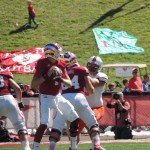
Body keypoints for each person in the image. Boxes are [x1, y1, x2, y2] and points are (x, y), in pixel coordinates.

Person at [31, 43, 79, 150]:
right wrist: (47, 75)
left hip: (58, 96)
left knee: (75, 118)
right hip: (46, 97)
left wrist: (60, 78)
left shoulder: (61, 63)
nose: (60, 54)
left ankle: (74, 147)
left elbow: (69, 83)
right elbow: (33, 84)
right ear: (54, 52)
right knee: (44, 123)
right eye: (58, 51)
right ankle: (34, 148)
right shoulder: (42, 63)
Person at [49, 52, 102, 150]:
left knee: (56, 128)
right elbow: (90, 89)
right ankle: (96, 145)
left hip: (63, 99)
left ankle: (52, 148)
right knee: (92, 124)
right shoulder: (81, 69)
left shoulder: (59, 71)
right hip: (79, 97)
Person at [77, 56, 108, 150]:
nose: (91, 67)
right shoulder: (82, 74)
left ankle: (95, 146)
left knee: (91, 123)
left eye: (94, 65)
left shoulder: (102, 76)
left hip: (96, 107)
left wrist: (83, 74)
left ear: (99, 66)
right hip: (81, 108)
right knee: (74, 132)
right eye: (90, 65)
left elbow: (95, 83)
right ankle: (74, 147)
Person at [0, 70, 31, 150]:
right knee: (20, 126)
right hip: (8, 99)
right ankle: (26, 148)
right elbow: (17, 88)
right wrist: (20, 102)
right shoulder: (4, 73)